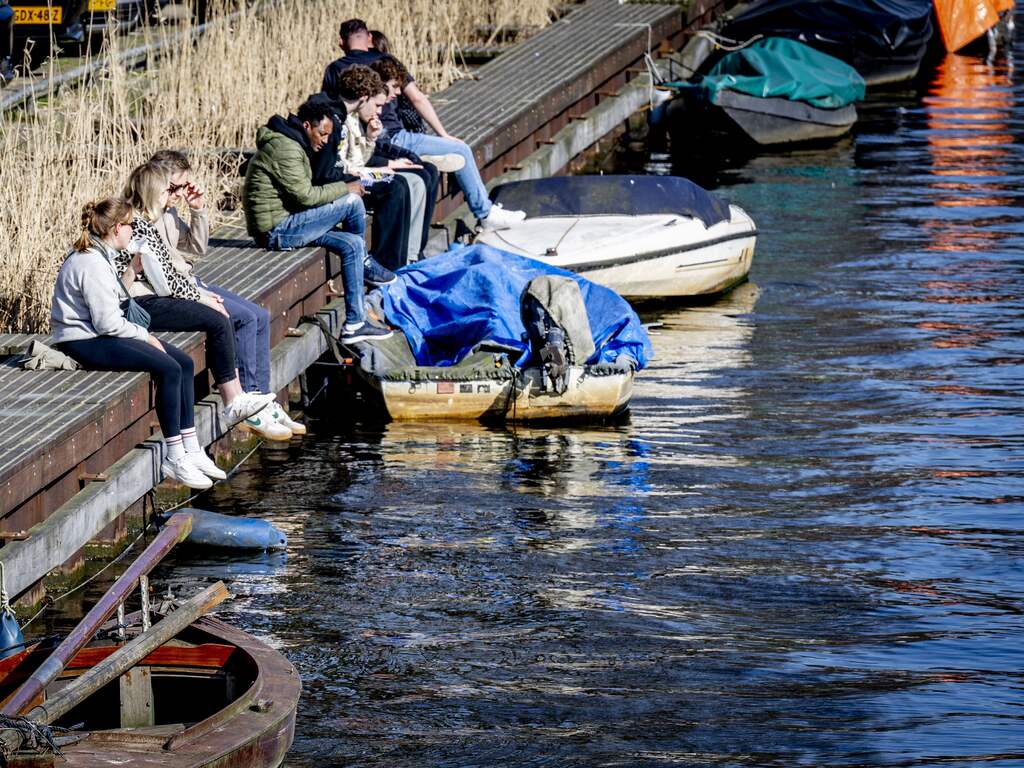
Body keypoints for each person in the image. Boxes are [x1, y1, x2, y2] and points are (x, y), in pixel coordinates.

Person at [51, 198, 245, 490]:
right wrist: (146, 336)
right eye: (130, 225)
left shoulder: (100, 254)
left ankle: (191, 449)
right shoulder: (90, 262)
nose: (133, 231)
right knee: (167, 368)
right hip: (82, 340)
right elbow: (107, 323)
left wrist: (131, 270)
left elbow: (113, 302)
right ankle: (174, 455)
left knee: (184, 362)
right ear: (117, 228)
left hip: (100, 332)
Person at [117, 161, 286, 441]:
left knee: (244, 315)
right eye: (170, 189)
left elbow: (188, 258)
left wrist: (199, 211)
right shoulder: (140, 226)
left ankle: (249, 399)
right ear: (154, 192)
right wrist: (203, 298)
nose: (176, 195)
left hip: (167, 291)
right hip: (140, 303)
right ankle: (234, 401)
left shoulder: (153, 220)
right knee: (219, 319)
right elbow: (166, 281)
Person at [322, 18, 526, 231]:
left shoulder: (334, 69)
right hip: (394, 137)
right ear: (370, 37)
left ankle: (429, 160)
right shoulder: (385, 61)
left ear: (341, 43)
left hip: (362, 143)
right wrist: (443, 134)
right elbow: (417, 98)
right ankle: (485, 213)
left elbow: (331, 108)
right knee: (462, 149)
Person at [243, 99, 394, 345]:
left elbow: (304, 196)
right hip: (277, 230)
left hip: (290, 221)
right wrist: (347, 188)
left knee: (352, 244)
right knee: (352, 201)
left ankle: (355, 322)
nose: (324, 141)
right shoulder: (286, 149)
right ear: (306, 126)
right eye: (322, 134)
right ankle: (365, 263)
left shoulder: (292, 143)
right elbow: (306, 196)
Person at [308, 65, 439, 269]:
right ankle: (387, 265)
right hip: (334, 184)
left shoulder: (342, 115)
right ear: (364, 97)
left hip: (343, 175)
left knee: (399, 181)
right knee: (394, 187)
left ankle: (407, 258)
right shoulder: (333, 118)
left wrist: (370, 143)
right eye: (376, 103)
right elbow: (327, 172)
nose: (380, 110)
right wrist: (371, 172)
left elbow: (351, 160)